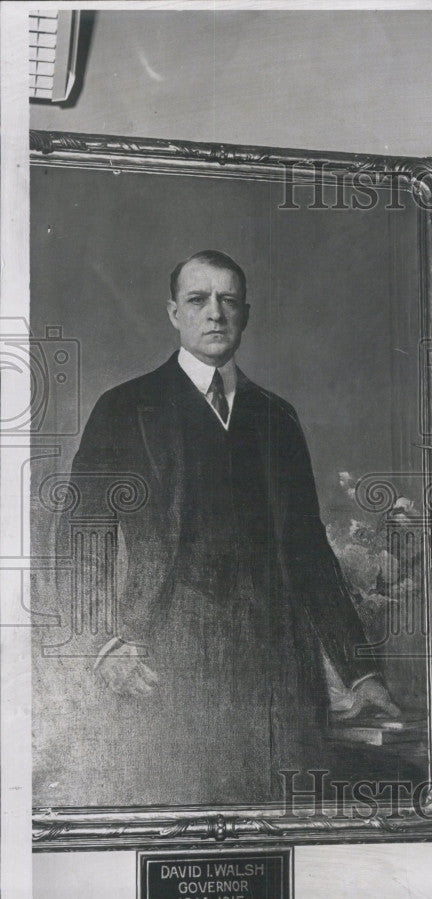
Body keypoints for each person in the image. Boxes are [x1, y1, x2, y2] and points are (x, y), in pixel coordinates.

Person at [61, 249, 401, 804]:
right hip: (169, 663)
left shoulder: (277, 417)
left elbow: (309, 552)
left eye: (228, 301)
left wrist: (360, 670)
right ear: (174, 313)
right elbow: (80, 538)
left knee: (281, 817)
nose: (215, 313)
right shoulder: (125, 409)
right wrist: (105, 645)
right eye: (198, 300)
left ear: (246, 314)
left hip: (280, 672)